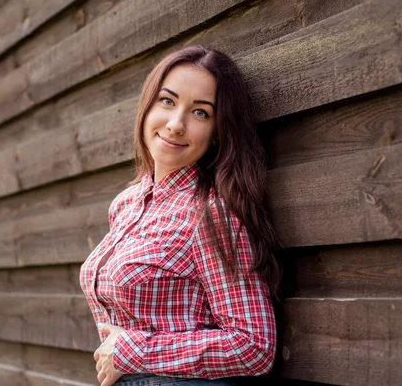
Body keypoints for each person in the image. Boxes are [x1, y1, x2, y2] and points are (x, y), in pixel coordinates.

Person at [80, 45, 282, 386]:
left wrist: (132, 350)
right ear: (147, 105)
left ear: (218, 131)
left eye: (200, 113)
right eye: (167, 101)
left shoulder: (211, 212)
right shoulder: (126, 205)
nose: (176, 124)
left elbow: (253, 345)